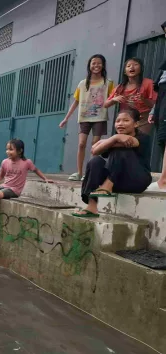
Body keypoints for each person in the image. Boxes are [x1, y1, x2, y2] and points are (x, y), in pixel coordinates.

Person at [73, 109, 152, 218]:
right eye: (118, 121)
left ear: (136, 124)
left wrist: (108, 141)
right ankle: (91, 206)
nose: (120, 124)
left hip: (137, 181)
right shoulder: (114, 138)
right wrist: (116, 137)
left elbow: (129, 142)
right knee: (95, 161)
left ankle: (107, 186)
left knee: (121, 151)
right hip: (119, 181)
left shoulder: (143, 138)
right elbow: (94, 151)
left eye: (126, 120)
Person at [60, 54, 114, 181]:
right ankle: (79, 172)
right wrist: (66, 118)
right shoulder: (82, 83)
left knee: (95, 145)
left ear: (103, 65)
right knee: (81, 144)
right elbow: (76, 101)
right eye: (93, 63)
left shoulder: (108, 83)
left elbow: (113, 97)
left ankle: (89, 173)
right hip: (84, 117)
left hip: (99, 118)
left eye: (99, 63)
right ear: (89, 66)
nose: (96, 65)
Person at [104, 58, 157, 134]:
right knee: (124, 142)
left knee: (140, 140)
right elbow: (105, 104)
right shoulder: (120, 87)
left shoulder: (148, 83)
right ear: (125, 72)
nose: (132, 67)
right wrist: (114, 99)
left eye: (135, 65)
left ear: (141, 69)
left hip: (144, 119)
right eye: (128, 66)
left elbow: (155, 105)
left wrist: (144, 99)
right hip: (127, 120)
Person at [148, 21, 166, 192]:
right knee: (162, 138)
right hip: (162, 101)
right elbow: (160, 90)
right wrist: (155, 109)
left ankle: (164, 181)